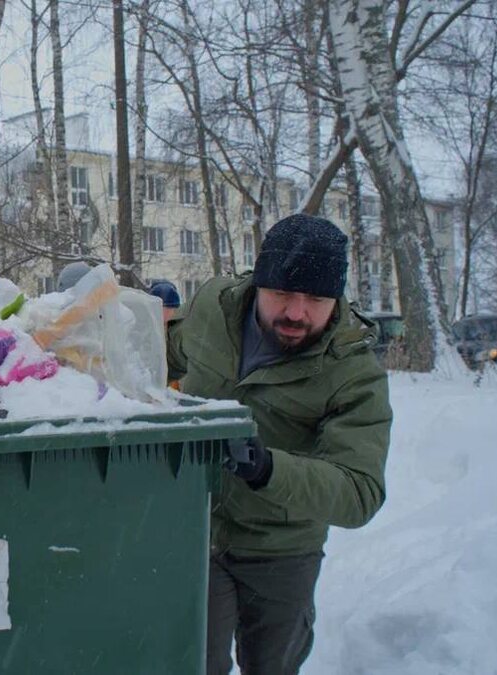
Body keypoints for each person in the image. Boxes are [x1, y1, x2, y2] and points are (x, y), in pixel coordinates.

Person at [165, 214, 393, 675]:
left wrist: (268, 469)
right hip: (195, 532)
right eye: (282, 293)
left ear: (337, 298)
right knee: (189, 663)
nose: (296, 312)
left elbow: (359, 491)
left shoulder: (353, 372)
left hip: (282, 552)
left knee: (272, 667)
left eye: (315, 298)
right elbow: (160, 353)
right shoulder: (214, 307)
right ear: (258, 283)